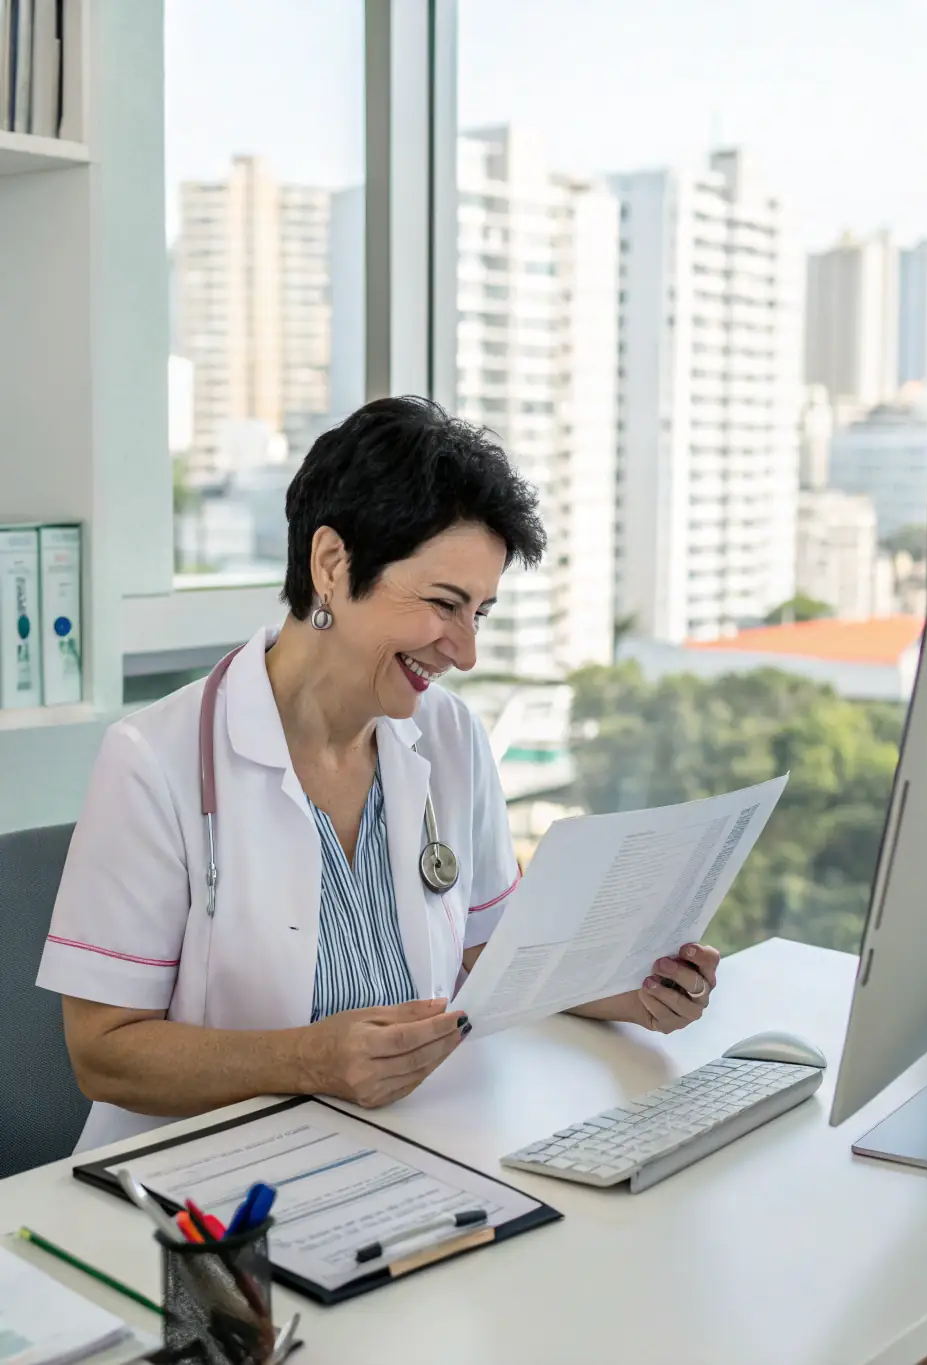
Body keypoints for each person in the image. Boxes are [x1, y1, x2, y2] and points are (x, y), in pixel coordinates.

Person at [37, 397, 720, 1151]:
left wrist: (629, 987)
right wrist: (308, 1060)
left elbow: (490, 955)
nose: (464, 651)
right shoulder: (153, 760)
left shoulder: (449, 734)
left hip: (405, 1152)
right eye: (442, 603)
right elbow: (102, 1051)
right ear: (331, 564)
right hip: (199, 1192)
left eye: (481, 613)